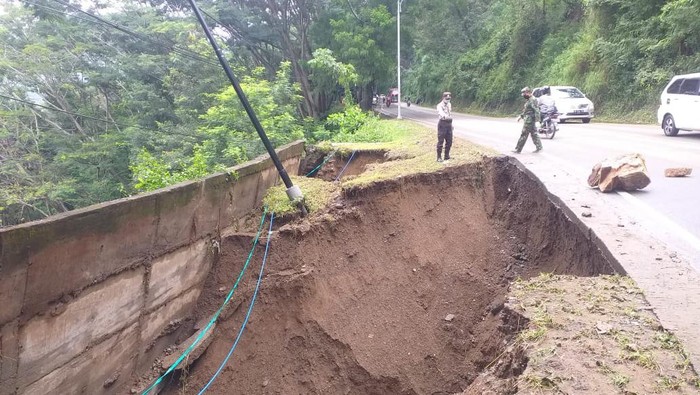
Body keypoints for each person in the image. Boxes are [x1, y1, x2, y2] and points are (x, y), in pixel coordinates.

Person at [513, 87, 543, 154]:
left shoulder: (533, 100)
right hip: (529, 119)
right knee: (534, 134)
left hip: (529, 120)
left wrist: (538, 120)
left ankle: (518, 149)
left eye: (524, 93)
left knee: (524, 134)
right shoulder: (529, 100)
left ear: (529, 93)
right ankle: (539, 147)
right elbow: (527, 110)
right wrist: (521, 116)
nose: (523, 95)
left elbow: (537, 110)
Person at [436, 91, 453, 162]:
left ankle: (447, 156)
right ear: (443, 98)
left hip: (449, 124)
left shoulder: (449, 104)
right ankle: (439, 157)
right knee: (440, 141)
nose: (448, 100)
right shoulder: (439, 105)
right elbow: (442, 113)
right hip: (442, 123)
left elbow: (450, 114)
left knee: (449, 141)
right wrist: (446, 117)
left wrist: (451, 125)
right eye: (446, 98)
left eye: (449, 98)